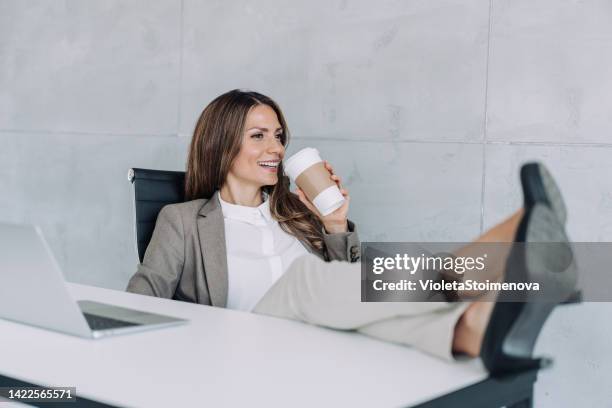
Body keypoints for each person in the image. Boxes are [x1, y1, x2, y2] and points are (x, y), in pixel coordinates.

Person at [127, 89, 579, 375]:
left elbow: (348, 291)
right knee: (305, 279)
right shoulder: (183, 220)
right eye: (259, 136)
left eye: (279, 135)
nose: (277, 148)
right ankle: (492, 259)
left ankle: (474, 328)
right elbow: (136, 303)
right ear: (221, 143)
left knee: (400, 320)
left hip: (317, 343)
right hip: (247, 350)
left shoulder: (293, 214)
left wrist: (335, 223)